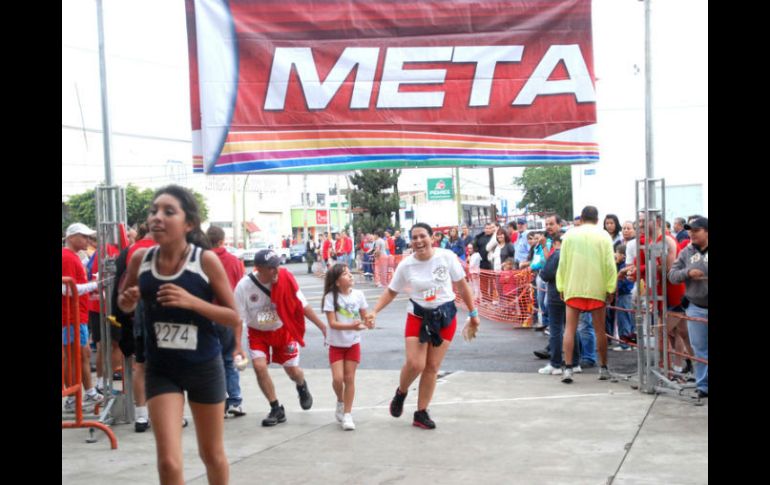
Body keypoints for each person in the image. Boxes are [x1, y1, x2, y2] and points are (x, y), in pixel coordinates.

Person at [117, 185, 241, 485]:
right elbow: (124, 300)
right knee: (169, 462)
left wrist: (192, 302)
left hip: (204, 368)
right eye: (154, 210)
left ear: (188, 223)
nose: (157, 217)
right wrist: (128, 302)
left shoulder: (205, 261)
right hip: (161, 369)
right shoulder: (140, 259)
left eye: (168, 212)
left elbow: (233, 316)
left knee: (211, 454)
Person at [367, 223, 480, 429]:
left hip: (445, 316)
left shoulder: (446, 257)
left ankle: (421, 412)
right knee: (415, 363)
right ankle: (401, 392)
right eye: (414, 238)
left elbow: (462, 286)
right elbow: (391, 291)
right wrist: (374, 311)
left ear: (432, 238)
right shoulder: (406, 265)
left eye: (422, 236)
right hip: (418, 316)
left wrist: (473, 314)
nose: (419, 241)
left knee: (432, 367)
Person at [233, 249, 328, 427]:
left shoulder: (286, 278)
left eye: (277, 266)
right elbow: (238, 318)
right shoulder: (243, 288)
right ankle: (275, 407)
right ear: (258, 268)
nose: (276, 271)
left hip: (282, 330)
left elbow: (303, 305)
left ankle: (301, 385)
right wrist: (237, 345)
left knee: (293, 371)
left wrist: (322, 326)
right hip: (258, 332)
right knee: (259, 367)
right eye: (271, 268)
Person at [556, 206, 617, 384]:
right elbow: (609, 264)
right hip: (597, 288)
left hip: (573, 286)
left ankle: (568, 369)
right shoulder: (604, 236)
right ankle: (603, 367)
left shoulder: (569, 235)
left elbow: (563, 262)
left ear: (581, 219)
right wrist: (610, 288)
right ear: (598, 220)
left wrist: (561, 286)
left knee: (569, 329)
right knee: (600, 331)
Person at [322, 264, 373, 430]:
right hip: (336, 344)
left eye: (350, 273)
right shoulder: (331, 297)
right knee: (338, 379)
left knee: (349, 378)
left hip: (353, 343)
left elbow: (366, 318)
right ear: (337, 282)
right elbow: (332, 323)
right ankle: (340, 401)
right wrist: (352, 326)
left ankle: (348, 415)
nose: (350, 276)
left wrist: (369, 322)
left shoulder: (359, 295)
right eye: (345, 274)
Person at [62, 223, 104, 411]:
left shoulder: (72, 257)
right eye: (84, 236)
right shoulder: (68, 258)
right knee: (75, 357)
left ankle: (88, 392)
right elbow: (66, 289)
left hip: (76, 315)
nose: (88, 240)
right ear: (71, 237)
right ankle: (73, 397)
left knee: (82, 355)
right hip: (71, 316)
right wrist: (95, 285)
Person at [207, 225, 247, 419]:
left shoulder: (201, 261)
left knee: (211, 360)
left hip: (207, 314)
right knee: (230, 358)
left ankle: (217, 400)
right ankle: (235, 401)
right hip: (230, 315)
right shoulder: (234, 261)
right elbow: (241, 288)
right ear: (223, 241)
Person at [668, 217, 708, 398]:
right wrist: (688, 273)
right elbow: (672, 275)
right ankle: (703, 386)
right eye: (690, 230)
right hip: (696, 306)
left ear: (707, 231)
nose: (691, 234)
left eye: (696, 230)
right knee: (699, 349)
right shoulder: (686, 252)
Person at [537, 233, 580, 375]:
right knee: (572, 329)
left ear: (556, 242)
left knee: (556, 329)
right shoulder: (575, 254)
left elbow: (545, 274)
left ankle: (555, 363)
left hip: (556, 294)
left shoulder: (557, 255)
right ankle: (574, 362)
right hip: (572, 293)